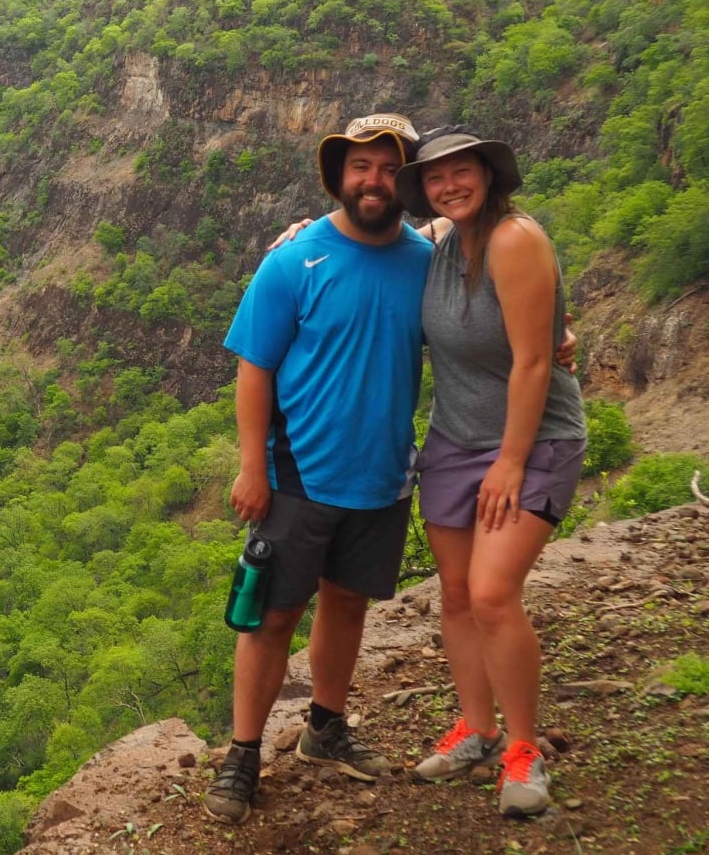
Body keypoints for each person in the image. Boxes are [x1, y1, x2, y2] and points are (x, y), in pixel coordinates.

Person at [206, 113, 431, 824]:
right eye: (360, 166)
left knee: (347, 602)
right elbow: (255, 366)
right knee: (271, 614)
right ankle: (243, 752)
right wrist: (252, 466)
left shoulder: (427, 262)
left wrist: (562, 334)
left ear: (408, 180)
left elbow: (484, 311)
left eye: (389, 166)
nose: (373, 180)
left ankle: (324, 727)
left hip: (384, 470)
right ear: (337, 176)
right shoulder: (292, 259)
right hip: (298, 470)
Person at [395, 128, 586, 817]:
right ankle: (477, 729)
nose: (450, 184)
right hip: (453, 435)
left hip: (532, 439)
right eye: (437, 177)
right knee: (453, 591)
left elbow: (537, 360)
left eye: (462, 171)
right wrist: (297, 234)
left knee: (492, 591)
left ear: (488, 173)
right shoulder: (447, 238)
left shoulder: (514, 238)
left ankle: (524, 747)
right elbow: (396, 232)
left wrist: (510, 459)